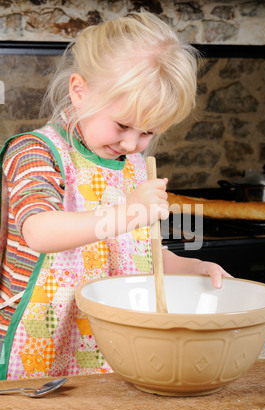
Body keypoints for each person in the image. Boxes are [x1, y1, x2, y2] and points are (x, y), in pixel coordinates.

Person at [0, 12, 231, 380]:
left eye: (148, 132)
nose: (130, 143)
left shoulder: (134, 165)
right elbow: (40, 231)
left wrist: (193, 270)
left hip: (108, 345)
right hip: (37, 346)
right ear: (80, 91)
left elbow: (142, 252)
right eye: (122, 125)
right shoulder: (35, 151)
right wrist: (128, 212)